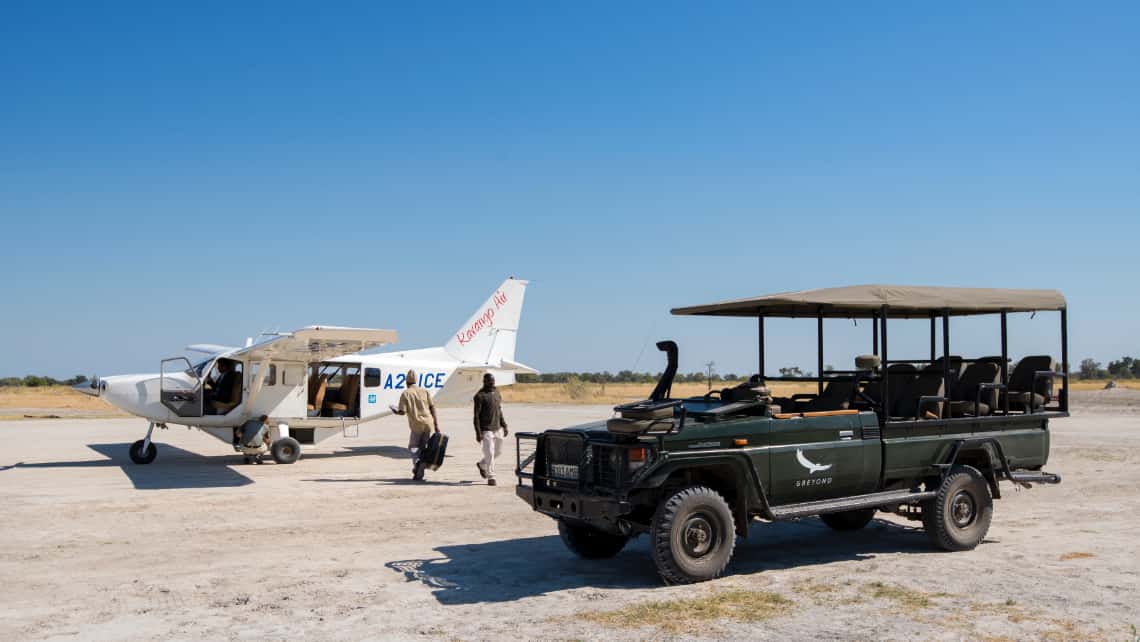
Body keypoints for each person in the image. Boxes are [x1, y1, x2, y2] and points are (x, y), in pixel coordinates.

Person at [389, 369, 439, 481]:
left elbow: (402, 412)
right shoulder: (424, 391)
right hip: (428, 423)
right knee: (423, 448)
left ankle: (417, 463)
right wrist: (436, 425)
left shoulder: (406, 393)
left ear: (406, 382)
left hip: (416, 425)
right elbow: (432, 407)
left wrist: (394, 410)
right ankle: (419, 474)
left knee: (413, 448)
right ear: (416, 381)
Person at [473, 372, 508, 486]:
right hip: (486, 429)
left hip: (497, 428)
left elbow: (499, 410)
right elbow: (476, 416)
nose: (492, 382)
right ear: (485, 382)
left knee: (498, 452)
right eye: (489, 381)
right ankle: (491, 477)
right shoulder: (479, 396)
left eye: (493, 381)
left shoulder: (497, 393)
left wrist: (504, 425)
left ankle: (482, 464)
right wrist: (478, 433)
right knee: (489, 453)